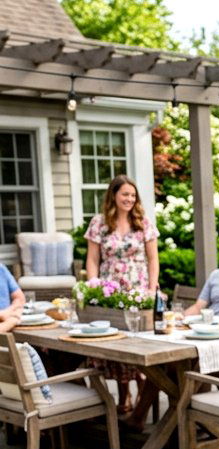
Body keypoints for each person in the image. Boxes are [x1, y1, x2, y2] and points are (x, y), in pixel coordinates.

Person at [85, 174, 160, 417]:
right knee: (115, 341)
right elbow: (93, 258)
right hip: (110, 290)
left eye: (132, 195)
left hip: (137, 288)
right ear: (113, 196)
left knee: (138, 341)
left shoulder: (143, 223)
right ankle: (123, 392)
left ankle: (142, 393)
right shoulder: (99, 223)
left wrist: (152, 289)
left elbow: (153, 259)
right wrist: (93, 287)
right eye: (124, 194)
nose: (129, 199)